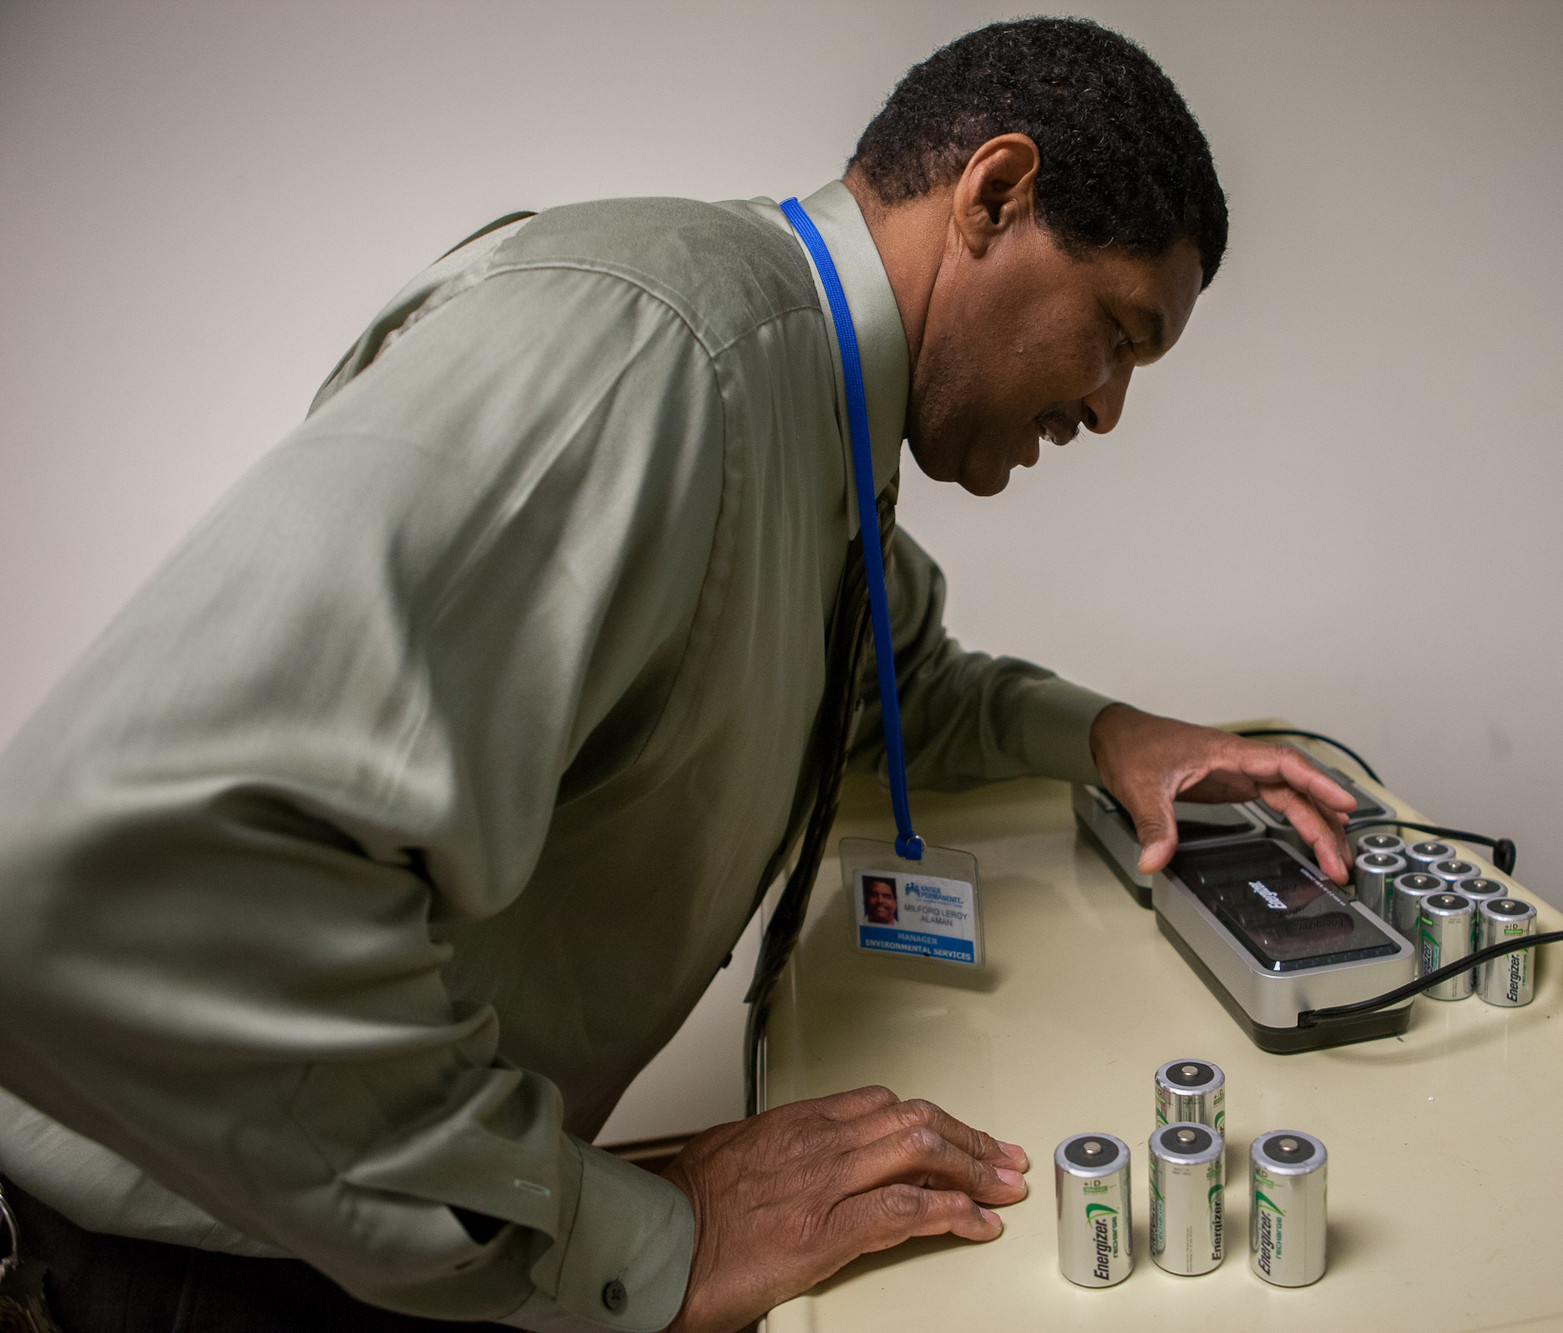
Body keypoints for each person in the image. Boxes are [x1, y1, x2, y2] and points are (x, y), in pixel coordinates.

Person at [0, 17, 1356, 1333]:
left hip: (342, 1231)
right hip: (185, 1267)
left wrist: (1111, 733)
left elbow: (885, 685)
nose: (1110, 407)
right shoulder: (662, 351)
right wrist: (643, 1235)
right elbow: (138, 870)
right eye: (1118, 333)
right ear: (994, 194)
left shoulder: (815, 413)